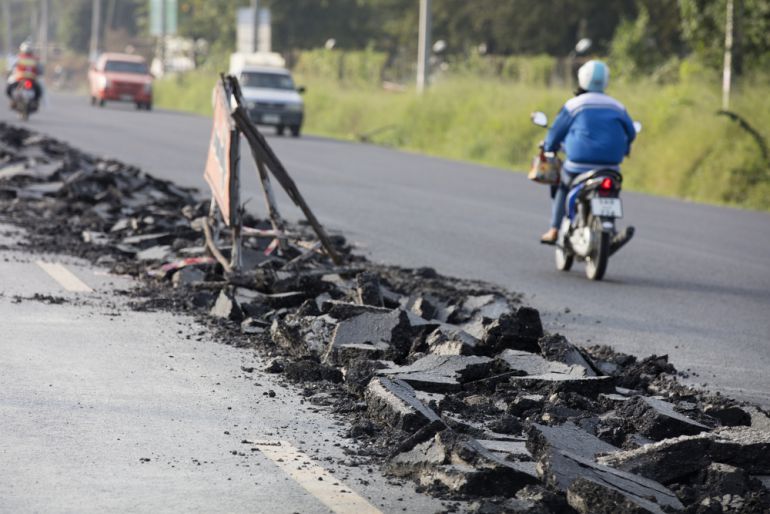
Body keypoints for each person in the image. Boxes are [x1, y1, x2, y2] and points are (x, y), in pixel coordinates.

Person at [540, 60, 636, 244]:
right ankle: (611, 228)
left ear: (582, 79)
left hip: (578, 166)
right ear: (606, 81)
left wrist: (549, 147)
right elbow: (631, 133)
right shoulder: (617, 106)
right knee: (612, 191)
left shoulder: (574, 105)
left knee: (562, 185)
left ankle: (554, 229)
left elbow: (555, 133)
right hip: (611, 167)